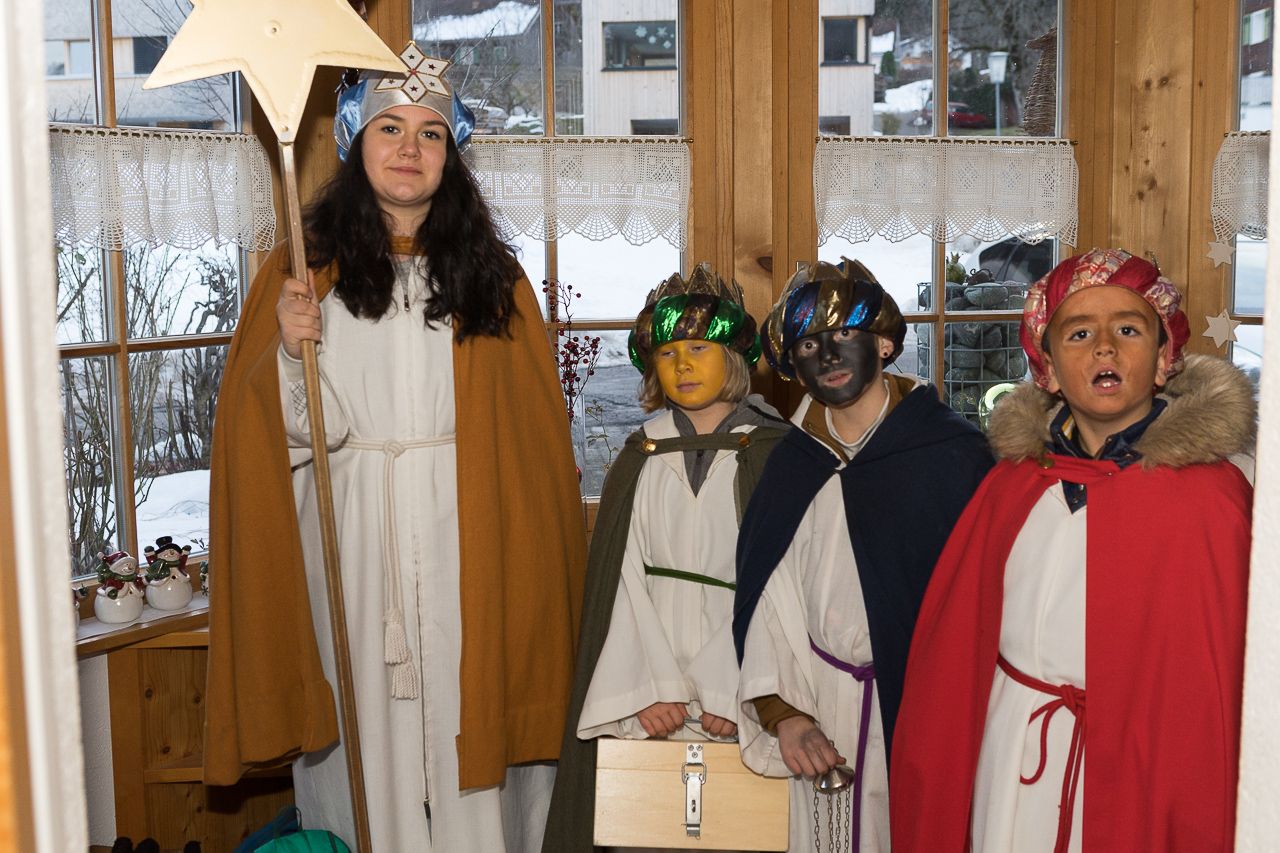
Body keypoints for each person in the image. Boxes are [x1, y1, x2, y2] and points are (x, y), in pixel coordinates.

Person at [204, 44, 587, 851]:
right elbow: (270, 439)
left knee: (471, 718)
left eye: (429, 133)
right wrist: (288, 352)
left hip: (470, 540)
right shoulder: (305, 270)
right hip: (353, 540)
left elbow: (533, 451)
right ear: (355, 142)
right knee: (363, 739)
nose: (410, 148)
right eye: (390, 128)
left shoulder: (496, 279)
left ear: (452, 153)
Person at [890, 248, 1255, 853]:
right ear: (1049, 370)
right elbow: (951, 659)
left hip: (1146, 762)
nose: (1104, 348)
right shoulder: (1009, 488)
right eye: (1079, 333)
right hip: (1016, 749)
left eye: (1128, 330)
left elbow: (1224, 688)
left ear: (1163, 359)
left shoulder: (1212, 500)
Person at [732, 260, 994, 852]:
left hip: (931, 705)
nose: (828, 355)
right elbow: (767, 600)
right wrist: (785, 713)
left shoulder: (954, 456)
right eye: (808, 344)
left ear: (884, 343)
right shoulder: (792, 465)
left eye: (845, 334)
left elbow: (988, 606)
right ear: (792, 365)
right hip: (820, 703)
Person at [542, 264, 789, 852]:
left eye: (699, 348)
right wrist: (650, 688)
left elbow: (783, 587)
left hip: (744, 690)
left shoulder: (776, 455)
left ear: (734, 356)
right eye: (668, 352)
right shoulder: (642, 455)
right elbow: (621, 580)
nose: (682, 365)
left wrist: (733, 692)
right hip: (652, 702)